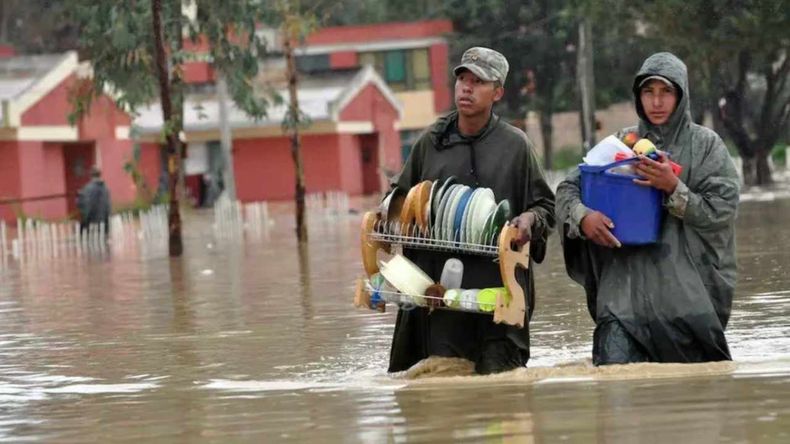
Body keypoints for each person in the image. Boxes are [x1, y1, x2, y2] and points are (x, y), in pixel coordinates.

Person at [555, 52, 740, 365]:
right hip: (621, 304)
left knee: (697, 399)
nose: (657, 101)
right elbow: (567, 189)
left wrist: (673, 188)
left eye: (666, 92)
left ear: (681, 96)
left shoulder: (706, 146)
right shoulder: (620, 145)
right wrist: (583, 217)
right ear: (638, 96)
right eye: (648, 92)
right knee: (616, 391)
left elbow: (722, 210)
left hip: (686, 305)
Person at [387, 47, 556, 375]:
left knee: (500, 386)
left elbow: (546, 206)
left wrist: (529, 220)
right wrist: (389, 217)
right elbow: (399, 202)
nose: (466, 87)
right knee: (442, 380)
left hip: (499, 293)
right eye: (462, 79)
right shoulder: (432, 142)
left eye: (478, 81)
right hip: (441, 299)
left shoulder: (515, 147)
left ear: (497, 92)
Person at [76, 166, 112, 235]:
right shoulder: (106, 189)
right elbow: (108, 207)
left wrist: (78, 197)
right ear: (100, 174)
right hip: (104, 223)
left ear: (91, 175)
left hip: (92, 224)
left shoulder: (87, 189)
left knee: (92, 244)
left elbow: (83, 206)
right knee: (103, 243)